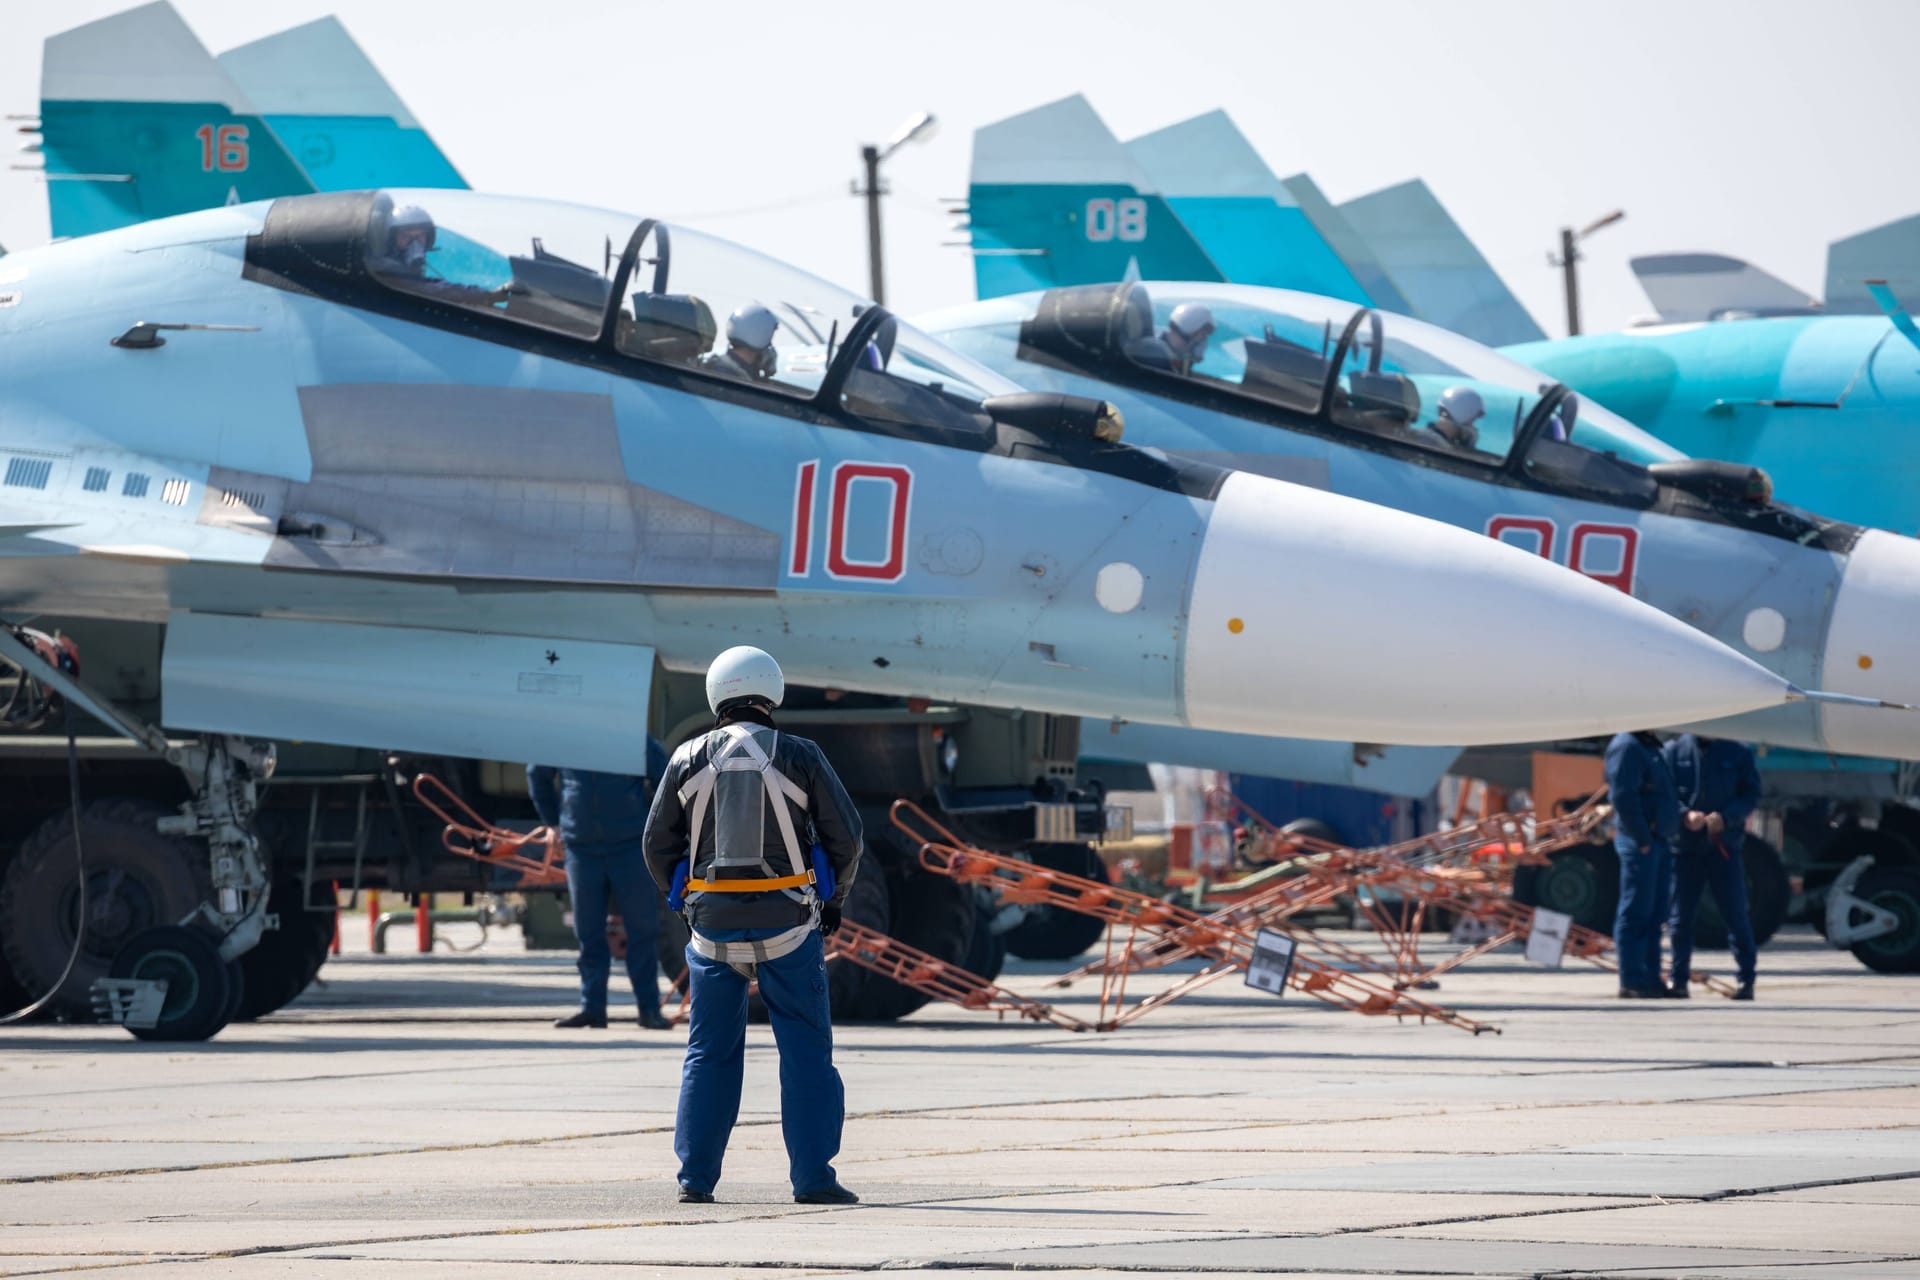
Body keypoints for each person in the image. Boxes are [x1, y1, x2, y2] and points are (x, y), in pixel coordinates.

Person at [644, 646, 864, 1206]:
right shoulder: (801, 755)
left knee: (709, 1053)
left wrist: (686, 903)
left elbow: (656, 845)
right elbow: (848, 837)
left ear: (716, 695)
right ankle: (813, 1178)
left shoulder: (685, 757)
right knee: (806, 1052)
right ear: (774, 693)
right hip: (789, 927)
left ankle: (696, 1179)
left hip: (710, 932)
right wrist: (833, 901)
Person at [528, 749, 672, 1031]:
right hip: (581, 848)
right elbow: (537, 774)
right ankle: (592, 1008)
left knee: (643, 930)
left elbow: (665, 776)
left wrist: (658, 824)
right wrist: (553, 823)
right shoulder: (565, 738)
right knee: (587, 932)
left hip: (630, 847)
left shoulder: (629, 737)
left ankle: (649, 1008)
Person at [1664, 734, 1761, 1001]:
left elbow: (1751, 793)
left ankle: (1746, 980)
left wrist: (1726, 818)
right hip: (1685, 848)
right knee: (1680, 918)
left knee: (1736, 914)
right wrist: (1685, 814)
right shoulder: (1674, 750)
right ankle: (1678, 979)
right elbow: (1663, 791)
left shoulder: (1738, 751)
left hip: (1723, 847)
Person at [1604, 729, 1681, 998]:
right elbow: (1624, 797)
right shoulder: (1628, 746)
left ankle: (1650, 978)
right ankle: (1632, 979)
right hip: (1641, 842)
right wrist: (1643, 838)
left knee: (1655, 913)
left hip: (1657, 840)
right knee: (1636, 910)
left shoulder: (1649, 746)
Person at [369, 203, 511, 307]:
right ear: (391, 240)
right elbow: (434, 290)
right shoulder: (386, 269)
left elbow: (431, 285)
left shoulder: (405, 272)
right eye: (405, 237)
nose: (415, 244)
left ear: (429, 238)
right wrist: (490, 295)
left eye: (420, 237)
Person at [702, 304, 780, 381]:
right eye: (769, 340)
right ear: (759, 336)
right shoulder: (729, 376)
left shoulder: (724, 368)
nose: (770, 345)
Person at [1425, 386, 1485, 451]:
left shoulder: (1423, 439)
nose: (1473, 428)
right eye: (1472, 421)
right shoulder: (1437, 447)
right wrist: (1468, 450)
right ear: (1462, 415)